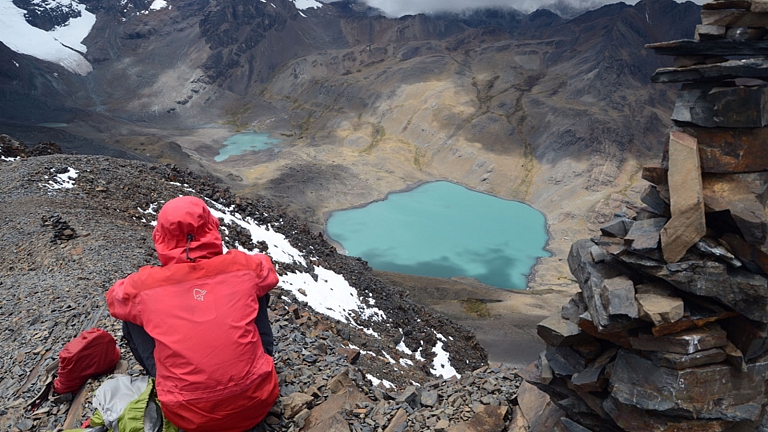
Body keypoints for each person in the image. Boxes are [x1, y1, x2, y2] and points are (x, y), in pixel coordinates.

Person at [106, 196, 279, 432]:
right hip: (258, 400)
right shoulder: (243, 267)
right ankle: (258, 361)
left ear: (161, 237)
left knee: (132, 317)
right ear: (211, 228)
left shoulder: (144, 287)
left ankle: (170, 380)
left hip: (188, 415)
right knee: (257, 291)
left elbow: (114, 300)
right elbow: (267, 270)